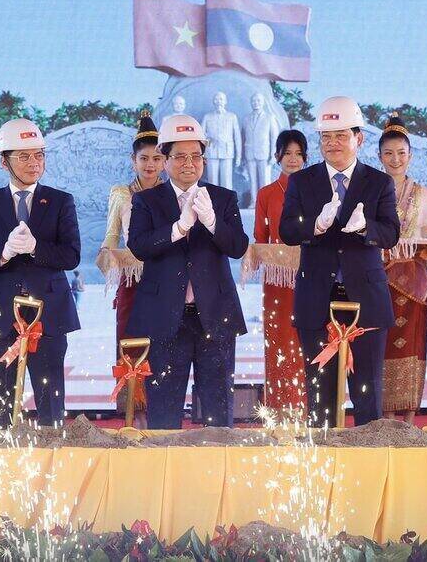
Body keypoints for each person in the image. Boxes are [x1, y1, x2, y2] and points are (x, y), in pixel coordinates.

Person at [280, 97, 400, 428]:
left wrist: (365, 227)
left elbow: (391, 233)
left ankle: (369, 457)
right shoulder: (302, 181)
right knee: (320, 394)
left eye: (341, 135)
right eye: (326, 136)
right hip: (317, 298)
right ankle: (322, 456)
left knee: (367, 393)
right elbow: (287, 230)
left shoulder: (379, 182)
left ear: (358, 138)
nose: (332, 143)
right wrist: (315, 226)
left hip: (367, 301)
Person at [126, 114, 248, 429]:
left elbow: (238, 246)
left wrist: (212, 222)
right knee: (164, 410)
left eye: (196, 156)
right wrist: (178, 229)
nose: (189, 163)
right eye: (180, 156)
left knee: (218, 410)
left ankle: (218, 461)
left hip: (214, 316)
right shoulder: (147, 201)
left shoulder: (222, 198)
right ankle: (164, 461)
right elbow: (138, 246)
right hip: (165, 318)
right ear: (165, 159)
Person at [0, 119, 81, 428]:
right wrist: (3, 254)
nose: (33, 163)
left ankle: (52, 451)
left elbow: (71, 255)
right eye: (24, 156)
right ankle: (4, 451)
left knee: (50, 400)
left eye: (39, 155)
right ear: (4, 162)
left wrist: (36, 247)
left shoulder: (60, 201)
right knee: (2, 402)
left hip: (49, 313)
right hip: (1, 313)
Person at [377, 113, 427, 424]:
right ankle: (386, 414)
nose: (396, 159)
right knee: (382, 344)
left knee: (413, 343)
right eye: (389, 153)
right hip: (379, 281)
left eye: (401, 153)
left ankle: (410, 417)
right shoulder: (370, 191)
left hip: (415, 283)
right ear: (379, 156)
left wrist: (421, 246)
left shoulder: (422, 194)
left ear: (411, 155)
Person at [98, 113, 164, 422]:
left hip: (165, 280)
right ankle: (132, 414)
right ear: (133, 160)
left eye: (157, 158)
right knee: (130, 343)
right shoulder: (122, 194)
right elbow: (111, 237)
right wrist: (111, 259)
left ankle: (161, 410)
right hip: (133, 282)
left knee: (163, 345)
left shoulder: (172, 194)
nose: (150, 164)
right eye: (144, 158)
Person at [253, 129, 308, 415]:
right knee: (279, 339)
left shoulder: (316, 190)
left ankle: (307, 408)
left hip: (310, 277)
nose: (293, 159)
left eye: (298, 153)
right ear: (277, 156)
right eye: (287, 153)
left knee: (307, 339)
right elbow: (260, 238)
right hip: (276, 281)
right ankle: (278, 408)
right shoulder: (267, 193)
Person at [243, 93, 279, 208]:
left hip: (264, 153)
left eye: (258, 100)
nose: (256, 103)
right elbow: (244, 137)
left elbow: (274, 137)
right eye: (253, 101)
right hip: (250, 153)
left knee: (264, 180)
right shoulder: (246, 118)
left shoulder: (269, 117)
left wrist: (274, 154)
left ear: (263, 102)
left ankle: (265, 203)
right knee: (252, 180)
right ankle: (254, 201)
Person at [201, 91, 241, 188]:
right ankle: (212, 198)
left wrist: (239, 156)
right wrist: (208, 144)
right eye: (216, 99)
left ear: (225, 101)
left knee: (226, 180)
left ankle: (227, 198)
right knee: (212, 180)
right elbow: (201, 137)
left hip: (227, 152)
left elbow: (237, 137)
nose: (219, 101)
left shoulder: (232, 117)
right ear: (213, 101)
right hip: (211, 151)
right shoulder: (207, 117)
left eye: (221, 99)